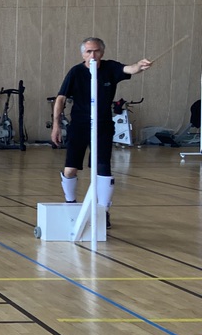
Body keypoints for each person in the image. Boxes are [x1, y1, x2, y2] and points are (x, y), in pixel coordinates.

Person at [51, 37, 151, 224]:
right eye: (88, 51)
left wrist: (139, 65)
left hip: (103, 125)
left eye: (96, 51)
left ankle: (103, 211)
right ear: (83, 54)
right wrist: (56, 124)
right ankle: (71, 203)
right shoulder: (75, 72)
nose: (93, 55)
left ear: (102, 53)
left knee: (103, 167)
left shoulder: (110, 68)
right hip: (79, 125)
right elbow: (61, 98)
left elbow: (130, 69)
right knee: (70, 169)